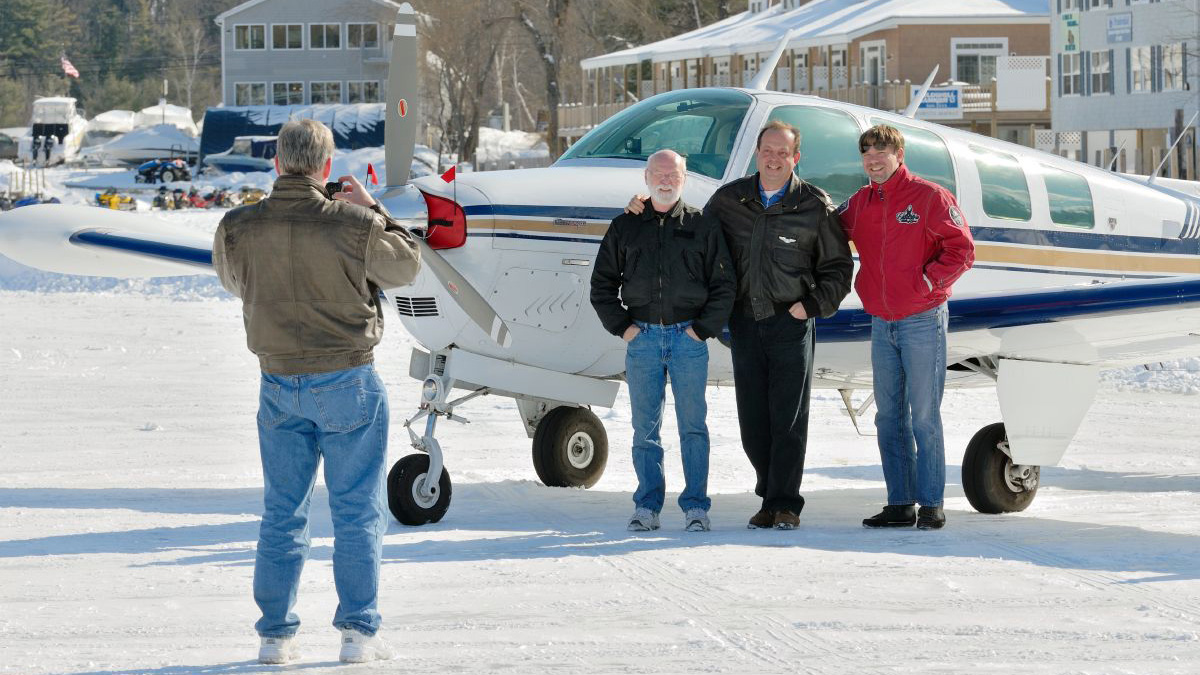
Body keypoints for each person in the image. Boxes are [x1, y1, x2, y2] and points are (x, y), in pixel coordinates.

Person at [212, 119, 421, 664]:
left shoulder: (238, 226)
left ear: (278, 162)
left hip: (277, 380)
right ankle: (356, 634)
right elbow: (407, 265)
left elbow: (234, 281)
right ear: (326, 167)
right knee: (356, 510)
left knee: (282, 511)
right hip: (347, 378)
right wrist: (374, 207)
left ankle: (274, 636)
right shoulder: (353, 224)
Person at [627, 121, 853, 530]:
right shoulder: (730, 200)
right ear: (756, 154)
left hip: (791, 322)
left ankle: (783, 504)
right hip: (745, 323)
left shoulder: (815, 206)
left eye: (783, 152)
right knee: (753, 420)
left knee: (788, 418)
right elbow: (690, 234)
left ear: (795, 158)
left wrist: (810, 306)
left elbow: (838, 269)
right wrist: (643, 211)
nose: (774, 158)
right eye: (767, 150)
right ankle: (768, 493)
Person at [591, 149, 735, 533]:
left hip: (688, 339)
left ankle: (695, 507)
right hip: (643, 340)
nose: (666, 180)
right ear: (646, 178)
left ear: (685, 179)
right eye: (659, 173)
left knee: (693, 426)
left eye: (674, 174)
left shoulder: (703, 225)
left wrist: (700, 330)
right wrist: (624, 329)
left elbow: (724, 286)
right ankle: (647, 506)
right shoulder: (625, 225)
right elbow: (601, 285)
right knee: (645, 429)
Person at [840, 124, 975, 531]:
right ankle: (900, 502)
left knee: (924, 417)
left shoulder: (929, 197)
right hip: (882, 322)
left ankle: (932, 503)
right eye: (867, 153)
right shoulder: (860, 203)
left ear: (899, 154)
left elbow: (962, 249)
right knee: (889, 417)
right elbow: (823, 230)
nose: (874, 160)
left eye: (882, 151)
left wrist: (927, 283)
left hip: (922, 320)